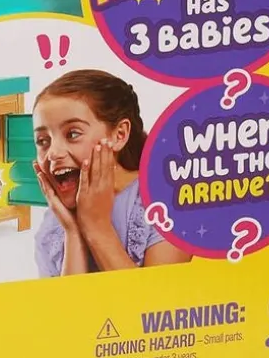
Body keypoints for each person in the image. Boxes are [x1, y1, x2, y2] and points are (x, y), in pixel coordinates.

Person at [31, 69, 190, 276]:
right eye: (43, 141)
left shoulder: (167, 201)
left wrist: (96, 226)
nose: (53, 153)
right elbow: (71, 299)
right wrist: (73, 232)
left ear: (119, 134)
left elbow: (155, 297)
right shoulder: (53, 229)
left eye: (73, 134)